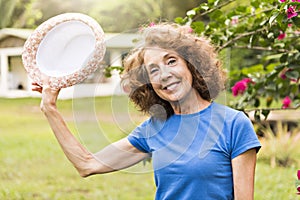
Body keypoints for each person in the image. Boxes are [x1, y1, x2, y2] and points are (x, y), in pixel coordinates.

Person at [32, 23, 261, 200]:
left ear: (190, 64)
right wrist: (49, 108)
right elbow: (87, 164)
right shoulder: (153, 130)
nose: (164, 75)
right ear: (149, 83)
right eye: (153, 70)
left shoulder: (233, 124)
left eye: (171, 61)